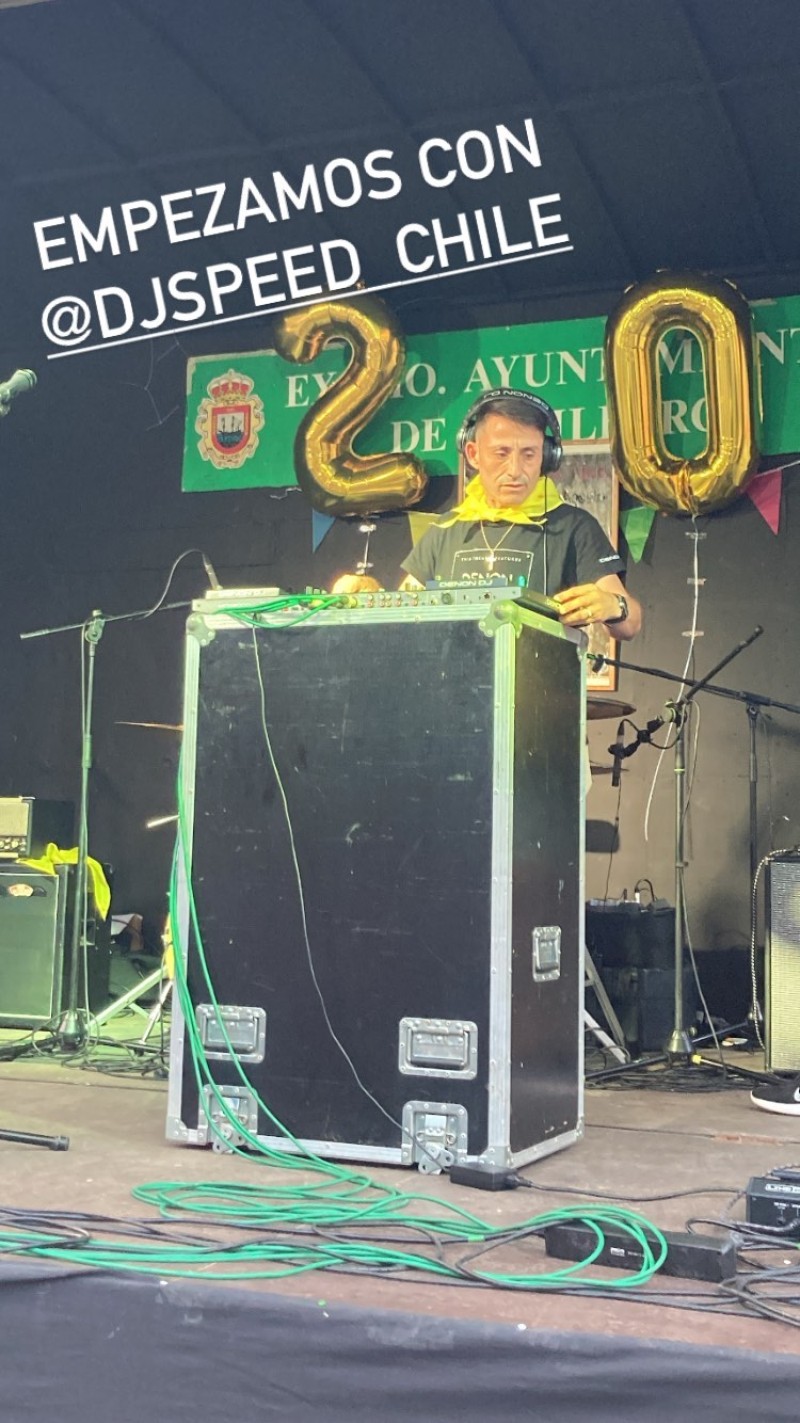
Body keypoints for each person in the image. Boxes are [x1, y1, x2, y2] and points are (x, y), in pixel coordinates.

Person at [400, 388, 642, 641]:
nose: (515, 470)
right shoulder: (445, 529)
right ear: (473, 454)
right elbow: (400, 615)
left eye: (528, 454)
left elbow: (631, 625)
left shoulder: (574, 526)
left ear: (546, 457)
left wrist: (615, 606)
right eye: (501, 453)